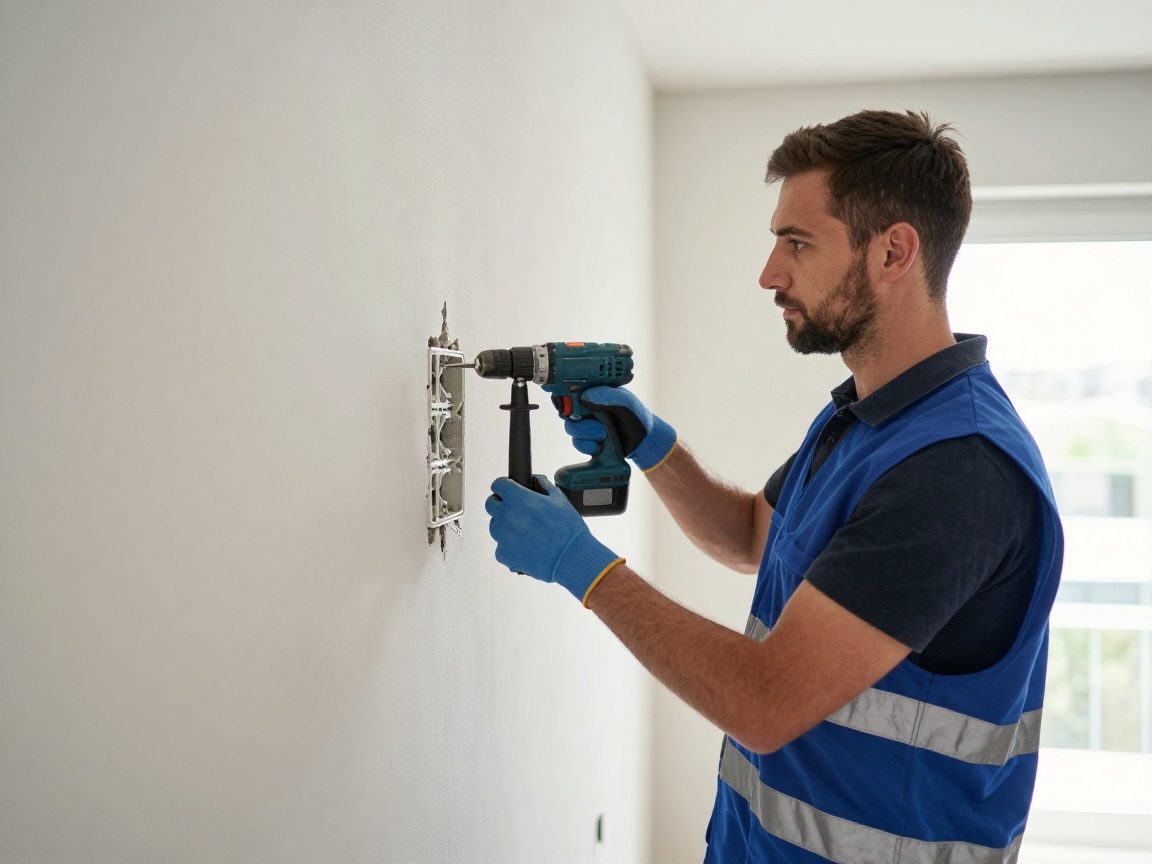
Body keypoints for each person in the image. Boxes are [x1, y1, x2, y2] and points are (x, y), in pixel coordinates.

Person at [485, 109, 1064, 863]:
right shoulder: (863, 420)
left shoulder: (957, 469)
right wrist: (650, 444)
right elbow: (753, 537)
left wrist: (581, 566)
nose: (770, 273)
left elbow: (763, 703)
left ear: (893, 252)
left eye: (798, 243)